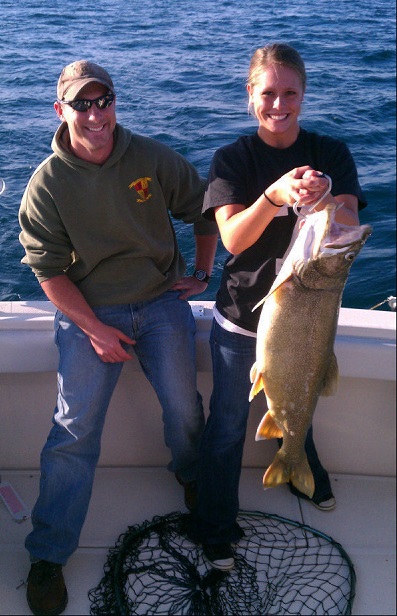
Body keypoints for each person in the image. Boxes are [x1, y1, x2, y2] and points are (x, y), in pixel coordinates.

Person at [19, 59, 218, 615]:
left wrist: (202, 275)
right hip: (88, 310)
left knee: (184, 408)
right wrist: (94, 328)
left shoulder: (150, 157)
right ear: (61, 111)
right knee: (74, 428)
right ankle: (48, 553)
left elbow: (206, 208)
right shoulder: (47, 184)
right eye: (81, 103)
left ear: (114, 103)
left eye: (103, 100)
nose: (95, 113)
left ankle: (193, 480)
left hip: (160, 302)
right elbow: (49, 271)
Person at [192, 43, 367, 571]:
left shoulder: (331, 153)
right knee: (226, 425)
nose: (279, 104)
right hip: (240, 319)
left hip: (306, 311)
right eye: (268, 93)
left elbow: (347, 220)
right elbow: (232, 240)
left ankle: (298, 462)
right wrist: (272, 198)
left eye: (290, 92)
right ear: (251, 96)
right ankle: (216, 522)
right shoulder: (233, 160)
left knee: (299, 402)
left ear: (303, 95)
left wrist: (325, 198)